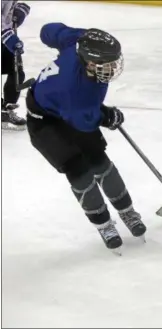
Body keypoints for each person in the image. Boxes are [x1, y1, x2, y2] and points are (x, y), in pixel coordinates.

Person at [25, 23, 146, 252]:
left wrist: (79, 34)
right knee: (79, 170)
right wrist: (107, 116)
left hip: (69, 107)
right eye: (107, 64)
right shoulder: (73, 91)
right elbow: (84, 120)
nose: (113, 68)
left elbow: (48, 31)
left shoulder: (78, 43)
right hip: (45, 124)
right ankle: (104, 224)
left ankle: (128, 212)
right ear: (90, 62)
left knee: (100, 161)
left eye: (114, 61)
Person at [1, 0, 29, 130]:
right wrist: (8, 36)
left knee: (17, 72)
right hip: (4, 35)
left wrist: (16, 12)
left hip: (3, 36)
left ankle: (6, 110)